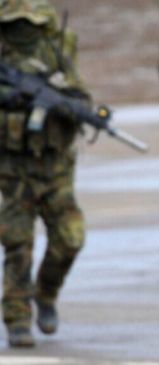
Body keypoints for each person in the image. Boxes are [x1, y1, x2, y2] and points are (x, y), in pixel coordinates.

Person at [0, 0, 89, 347]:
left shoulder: (55, 55)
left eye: (29, 25)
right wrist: (12, 99)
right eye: (15, 25)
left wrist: (66, 106)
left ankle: (46, 292)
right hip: (14, 169)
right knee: (18, 243)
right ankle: (17, 318)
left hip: (55, 167)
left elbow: (81, 97)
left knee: (70, 238)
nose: (23, 32)